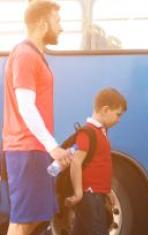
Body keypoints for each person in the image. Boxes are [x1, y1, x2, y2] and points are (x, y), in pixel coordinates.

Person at [2, 1, 70, 235]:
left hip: (33, 151)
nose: (61, 28)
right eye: (57, 21)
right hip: (26, 151)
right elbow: (26, 106)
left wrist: (50, 150)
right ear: (42, 23)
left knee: (32, 219)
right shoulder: (25, 55)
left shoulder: (33, 56)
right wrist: (52, 147)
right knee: (24, 220)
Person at [65, 88, 127, 235]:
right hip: (89, 196)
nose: (119, 119)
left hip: (95, 194)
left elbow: (100, 167)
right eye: (118, 114)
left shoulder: (100, 132)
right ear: (105, 110)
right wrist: (79, 193)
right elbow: (75, 162)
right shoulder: (88, 132)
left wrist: (108, 191)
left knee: (80, 231)